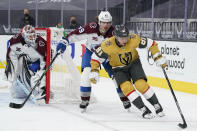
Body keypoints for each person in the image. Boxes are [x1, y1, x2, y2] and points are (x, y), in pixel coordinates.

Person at [56, 11, 131, 110]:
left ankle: (124, 99)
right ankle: (85, 99)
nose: (106, 25)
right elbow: (75, 34)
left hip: (106, 56)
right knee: (85, 74)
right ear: (99, 22)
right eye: (103, 22)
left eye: (108, 23)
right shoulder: (90, 27)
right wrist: (65, 41)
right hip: (90, 53)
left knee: (116, 76)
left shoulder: (114, 33)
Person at [89, 25, 166, 119]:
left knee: (141, 85)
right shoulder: (107, 44)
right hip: (118, 68)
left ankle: (156, 104)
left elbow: (152, 44)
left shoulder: (133, 38)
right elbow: (95, 58)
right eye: (122, 38)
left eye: (126, 37)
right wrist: (94, 71)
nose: (125, 40)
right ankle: (143, 109)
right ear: (116, 36)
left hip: (134, 64)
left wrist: (158, 57)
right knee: (126, 88)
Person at [5, 25, 46, 102]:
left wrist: (42, 73)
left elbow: (44, 61)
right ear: (24, 36)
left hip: (34, 64)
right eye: (30, 36)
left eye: (34, 35)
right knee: (16, 95)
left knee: (38, 71)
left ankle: (40, 88)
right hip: (22, 64)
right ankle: (28, 86)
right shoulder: (15, 40)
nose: (33, 38)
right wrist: (12, 72)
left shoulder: (41, 42)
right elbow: (10, 56)